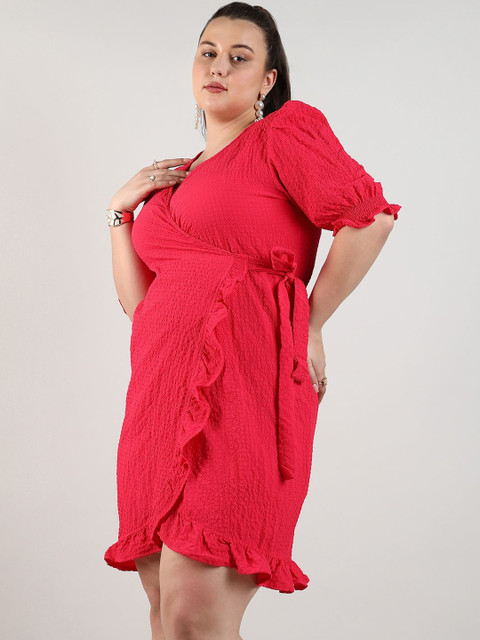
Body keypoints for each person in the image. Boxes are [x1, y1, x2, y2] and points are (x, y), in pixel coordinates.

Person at [104, 3, 401, 639]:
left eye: (239, 58)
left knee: (196, 617)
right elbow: (141, 307)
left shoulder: (284, 135)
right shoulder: (172, 179)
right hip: (159, 395)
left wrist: (309, 324)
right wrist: (120, 213)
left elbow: (370, 219)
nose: (218, 67)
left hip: (242, 387)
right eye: (208, 52)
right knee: (164, 609)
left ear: (268, 79)